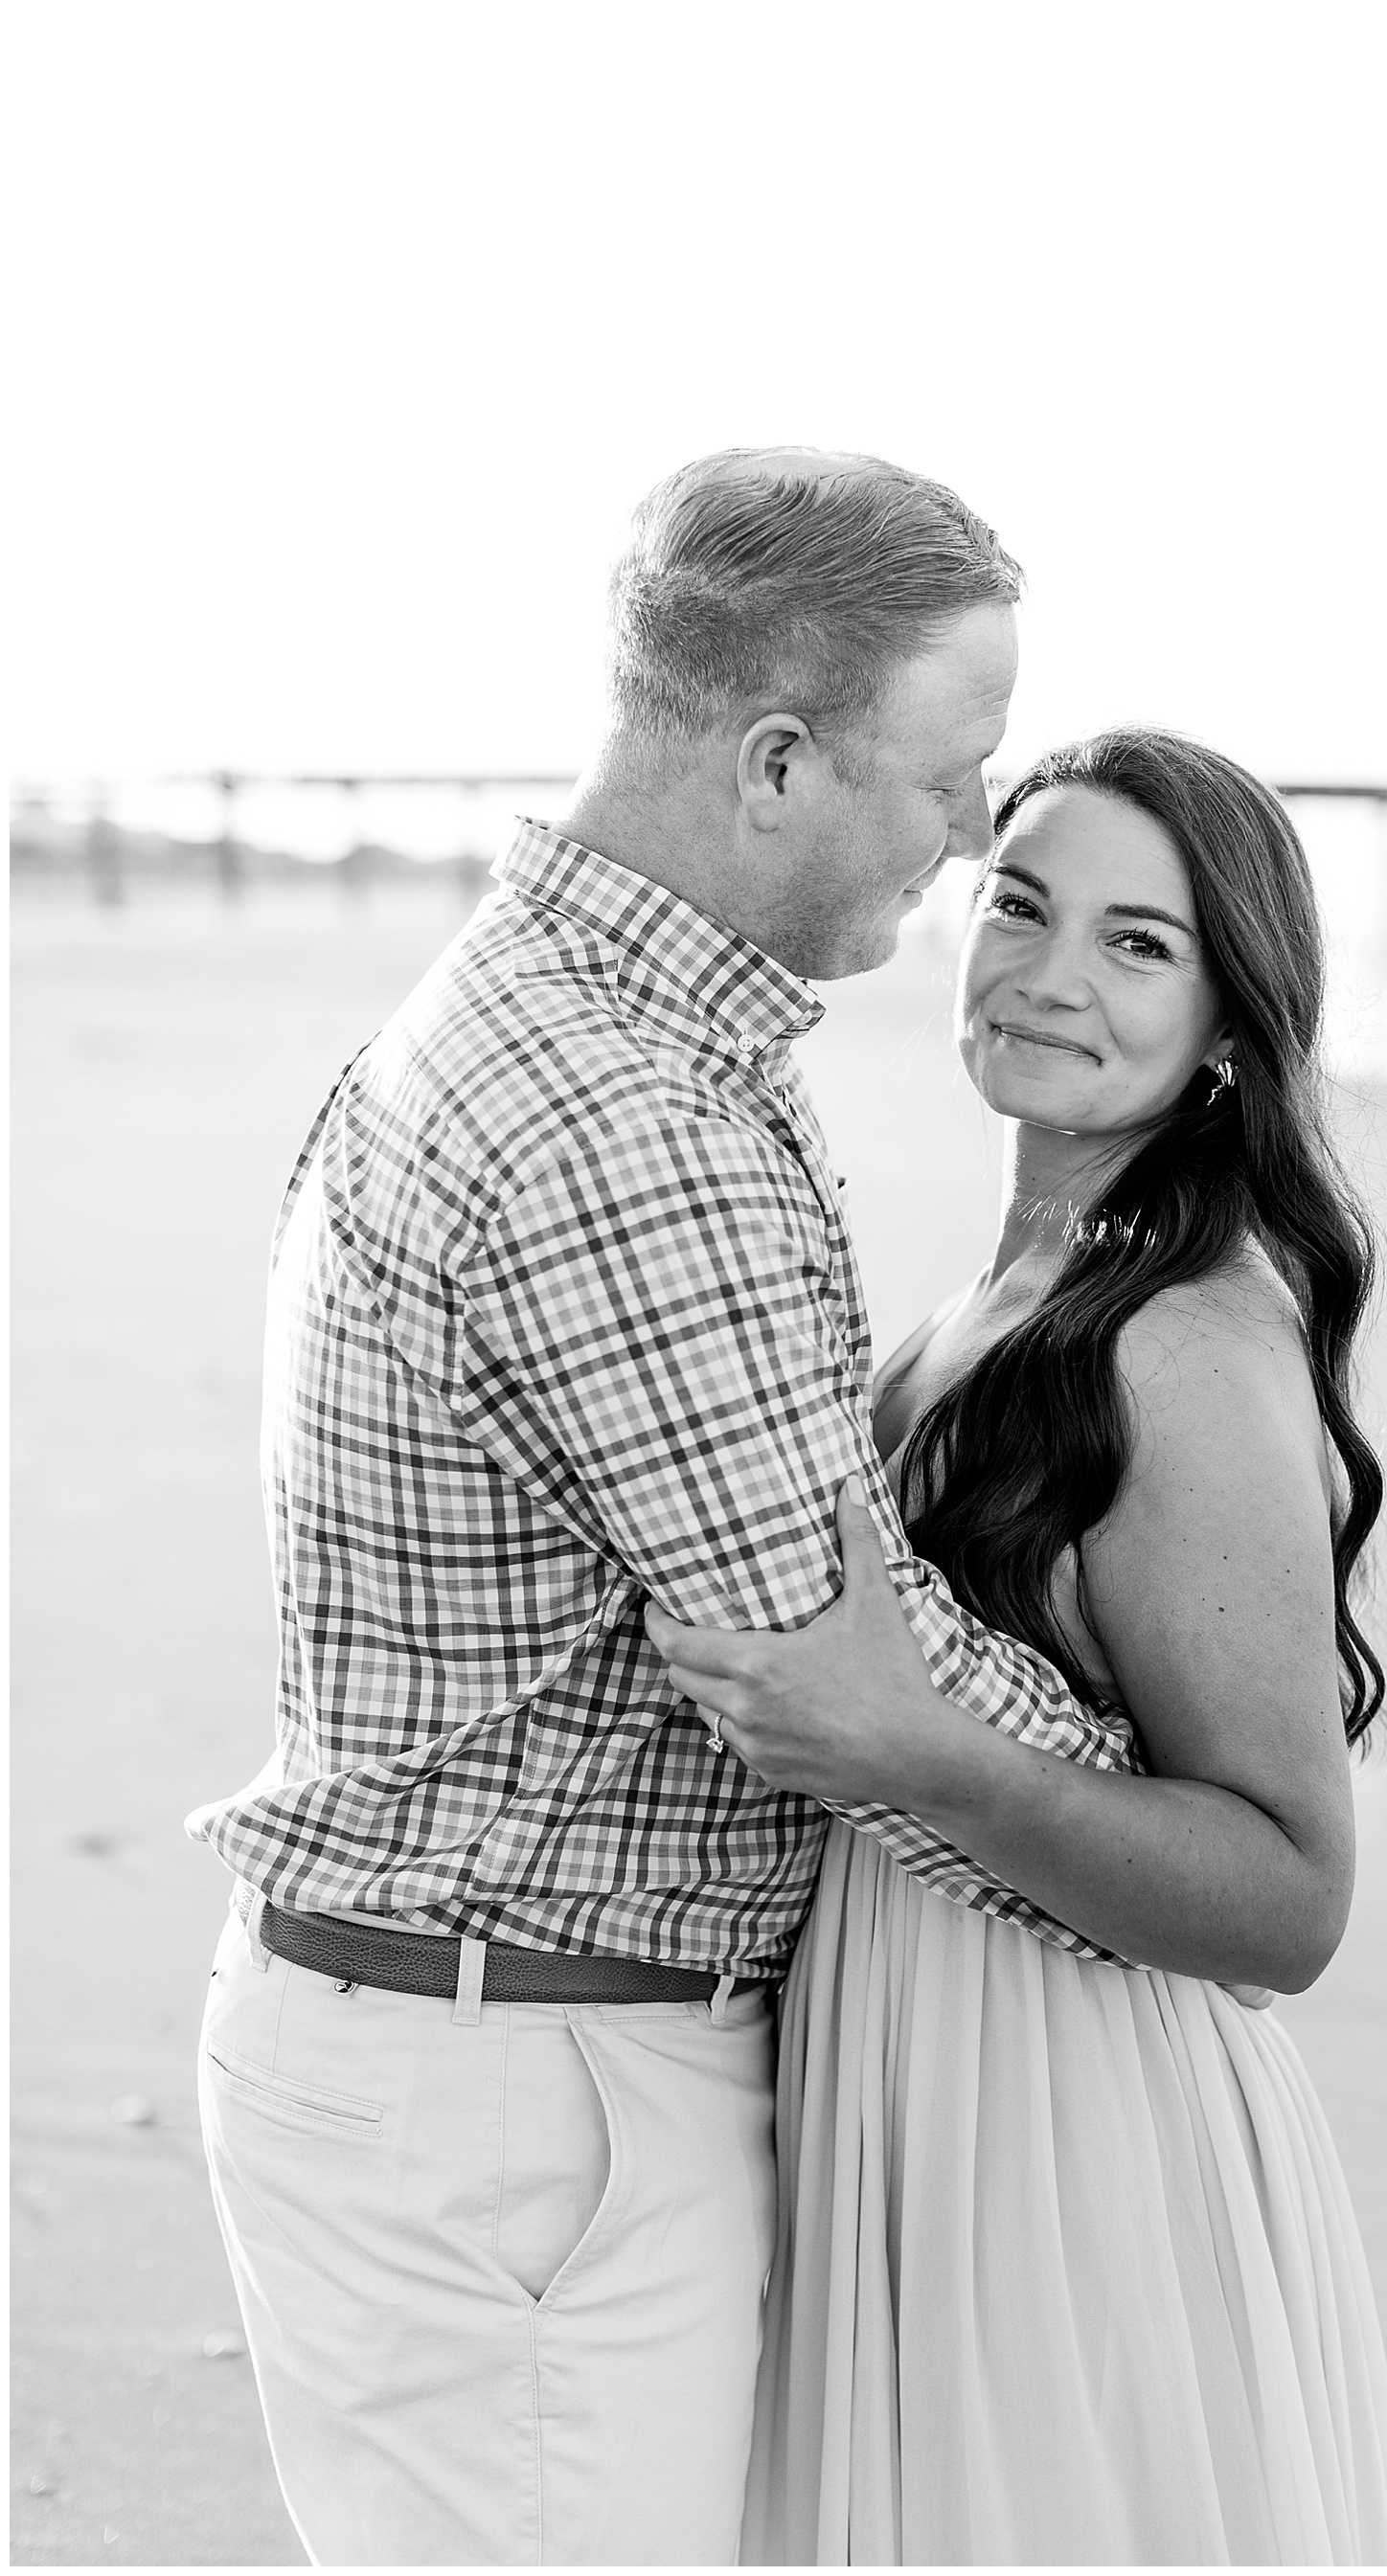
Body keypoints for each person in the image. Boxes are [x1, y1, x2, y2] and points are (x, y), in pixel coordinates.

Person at [186, 448, 1150, 2568]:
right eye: (952, 772)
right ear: (783, 761)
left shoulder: (605, 1030)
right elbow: (836, 1677)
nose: (977, 832)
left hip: (494, 2070)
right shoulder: (629, 1121)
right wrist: (1201, 1835)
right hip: (519, 2102)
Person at [647, 729, 1387, 2565]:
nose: (1053, 972)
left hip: (1074, 2155)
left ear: (1233, 1018)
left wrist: (920, 1750)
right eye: (1022, 901)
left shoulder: (1180, 1347)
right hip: (914, 2091)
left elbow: (1290, 1898)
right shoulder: (992, 1300)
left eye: (1140, 943)